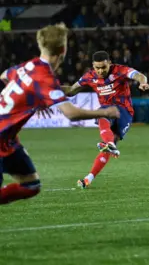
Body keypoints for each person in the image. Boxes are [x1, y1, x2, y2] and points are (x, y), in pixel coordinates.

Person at [0, 24, 119, 205]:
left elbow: (4, 75)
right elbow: (71, 114)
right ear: (63, 51)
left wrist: (36, 98)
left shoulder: (29, 66)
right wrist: (105, 111)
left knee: (31, 185)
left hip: (7, 140)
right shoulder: (44, 76)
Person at [63, 51, 149, 189]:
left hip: (124, 111)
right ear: (93, 65)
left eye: (103, 67)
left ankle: (110, 144)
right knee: (105, 132)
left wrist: (143, 83)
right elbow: (72, 90)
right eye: (97, 67)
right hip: (107, 110)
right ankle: (88, 178)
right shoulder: (89, 76)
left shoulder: (120, 71)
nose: (100, 71)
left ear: (109, 63)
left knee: (109, 140)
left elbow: (139, 75)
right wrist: (52, 91)